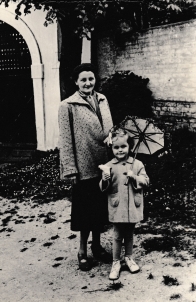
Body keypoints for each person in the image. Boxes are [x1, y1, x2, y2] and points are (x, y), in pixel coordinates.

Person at [58, 63, 113, 271]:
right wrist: (70, 169)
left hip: (104, 164)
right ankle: (82, 251)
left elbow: (109, 127)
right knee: (84, 210)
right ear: (75, 82)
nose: (88, 83)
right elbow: (66, 140)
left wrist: (113, 140)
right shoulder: (67, 106)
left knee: (100, 207)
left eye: (91, 79)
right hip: (84, 166)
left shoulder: (102, 99)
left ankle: (97, 247)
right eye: (83, 80)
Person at [99, 128, 149, 280]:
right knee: (117, 234)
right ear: (111, 148)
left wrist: (134, 177)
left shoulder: (137, 164)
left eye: (123, 146)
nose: (120, 150)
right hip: (117, 205)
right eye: (116, 147)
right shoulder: (109, 166)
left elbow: (146, 181)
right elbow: (103, 188)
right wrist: (106, 179)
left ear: (130, 147)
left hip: (132, 205)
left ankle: (128, 257)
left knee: (129, 233)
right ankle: (116, 262)